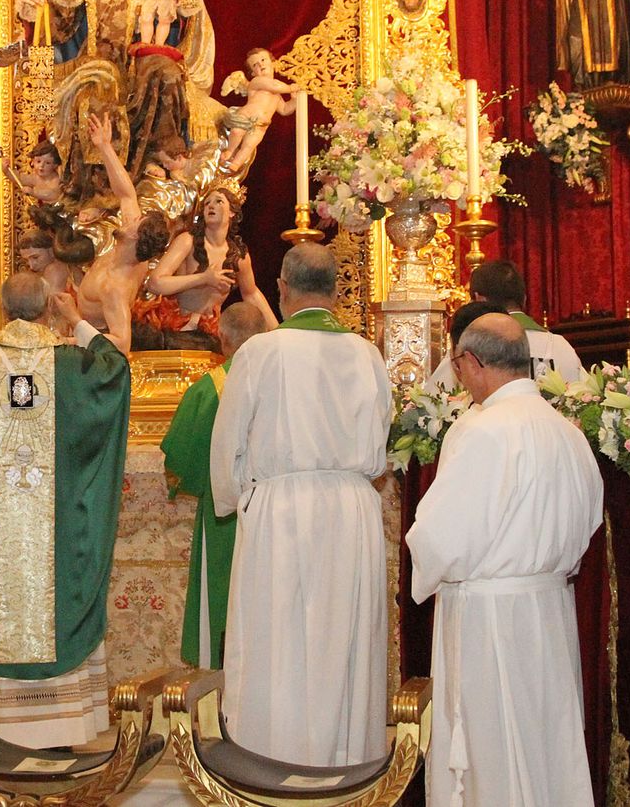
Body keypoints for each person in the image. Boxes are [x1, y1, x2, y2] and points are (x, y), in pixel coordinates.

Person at [407, 312, 603, 807]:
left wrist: (425, 567)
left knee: (493, 752)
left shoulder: (484, 431)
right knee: (545, 745)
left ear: (471, 363)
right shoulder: (566, 430)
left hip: (490, 617)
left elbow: (440, 535)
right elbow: (590, 520)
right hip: (549, 611)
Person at [210, 243, 392, 766]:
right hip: (352, 510)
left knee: (278, 635)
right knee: (344, 636)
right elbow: (380, 445)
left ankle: (272, 763)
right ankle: (346, 762)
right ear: (336, 293)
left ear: (283, 290)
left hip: (282, 510)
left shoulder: (259, 353)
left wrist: (239, 495)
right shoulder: (366, 353)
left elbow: (228, 444)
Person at [0, 271, 130, 748]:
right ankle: (63, 721)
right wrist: (79, 322)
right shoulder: (73, 365)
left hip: (0, 520)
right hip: (58, 517)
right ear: (48, 309)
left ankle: (4, 720)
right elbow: (115, 368)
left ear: (2, 310)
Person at [16, 0, 213, 201]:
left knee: (167, 72)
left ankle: (159, 155)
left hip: (140, 53)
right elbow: (59, 17)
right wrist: (34, 9)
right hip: (97, 60)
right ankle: (99, 192)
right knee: (98, 94)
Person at [160, 302, 267, 667]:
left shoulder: (208, 389)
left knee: (221, 594)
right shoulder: (283, 381)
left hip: (223, 512)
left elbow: (179, 456)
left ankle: (219, 681)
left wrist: (190, 483)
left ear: (223, 339)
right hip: (277, 506)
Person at [138, 185, 277, 351]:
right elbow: (155, 283)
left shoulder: (239, 256)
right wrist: (203, 278)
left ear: (232, 212)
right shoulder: (187, 242)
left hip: (212, 331)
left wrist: (279, 332)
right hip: (177, 327)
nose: (211, 206)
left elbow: (252, 294)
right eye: (207, 203)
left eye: (219, 202)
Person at [75, 112, 170, 353]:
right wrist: (105, 146)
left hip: (88, 354)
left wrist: (72, 338)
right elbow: (127, 194)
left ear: (135, 236)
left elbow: (122, 342)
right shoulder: (131, 247)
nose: (131, 217)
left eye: (136, 221)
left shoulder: (115, 287)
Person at [427, 259, 584, 393]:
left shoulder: (470, 348)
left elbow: (433, 400)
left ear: (479, 299)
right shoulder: (561, 346)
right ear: (524, 299)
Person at [217, 48, 304, 175]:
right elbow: (274, 85)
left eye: (263, 60)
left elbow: (285, 110)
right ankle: (230, 150)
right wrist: (290, 87)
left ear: (273, 63)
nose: (260, 65)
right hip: (246, 116)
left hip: (261, 126)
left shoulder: (277, 96)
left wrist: (296, 101)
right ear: (253, 73)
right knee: (236, 132)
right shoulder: (257, 82)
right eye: (255, 65)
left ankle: (236, 163)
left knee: (249, 146)